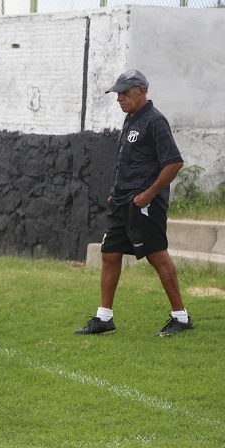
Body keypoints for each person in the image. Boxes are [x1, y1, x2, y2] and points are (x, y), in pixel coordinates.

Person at [75, 69, 193, 337]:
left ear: (142, 91)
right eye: (118, 94)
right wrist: (116, 192)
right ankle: (105, 319)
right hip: (121, 203)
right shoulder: (131, 119)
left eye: (125, 93)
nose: (120, 99)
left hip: (144, 205)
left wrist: (149, 195)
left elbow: (174, 162)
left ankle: (181, 318)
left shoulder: (155, 121)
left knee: (157, 256)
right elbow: (132, 162)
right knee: (109, 253)